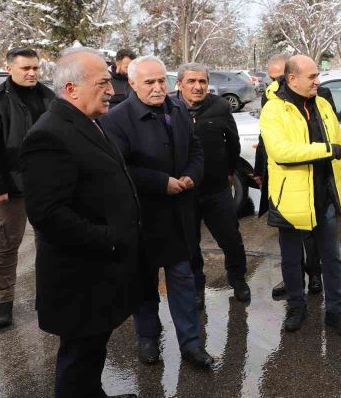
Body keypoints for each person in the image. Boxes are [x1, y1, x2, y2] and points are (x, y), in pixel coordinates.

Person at [20, 47, 139, 398]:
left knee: (90, 355)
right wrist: (110, 238)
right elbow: (48, 214)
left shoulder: (87, 122)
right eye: (103, 82)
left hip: (99, 273)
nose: (113, 90)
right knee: (77, 361)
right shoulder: (50, 135)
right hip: (79, 278)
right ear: (72, 89)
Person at [101, 56, 214, 368]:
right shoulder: (117, 119)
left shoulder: (177, 109)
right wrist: (159, 182)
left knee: (183, 280)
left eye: (161, 80)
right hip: (142, 217)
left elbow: (196, 149)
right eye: (149, 82)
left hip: (179, 215)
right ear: (133, 84)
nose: (157, 87)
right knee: (144, 283)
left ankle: (191, 344)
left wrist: (193, 173)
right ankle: (147, 339)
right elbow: (119, 168)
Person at [260, 55, 341, 337]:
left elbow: (339, 148)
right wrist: (325, 150)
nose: (318, 81)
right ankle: (296, 306)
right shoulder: (274, 110)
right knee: (291, 259)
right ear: (292, 78)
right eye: (312, 76)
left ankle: (336, 312)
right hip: (290, 199)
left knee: (332, 258)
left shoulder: (323, 104)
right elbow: (281, 152)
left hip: (323, 194)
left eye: (317, 75)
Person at [0, 47, 54, 328]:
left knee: (48, 241)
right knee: (8, 243)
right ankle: (3, 302)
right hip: (11, 186)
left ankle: (46, 296)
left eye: (35, 68)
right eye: (26, 68)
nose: (32, 73)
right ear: (9, 68)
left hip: (47, 184)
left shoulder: (48, 97)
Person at [255, 53, 335, 299]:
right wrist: (260, 171)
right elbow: (272, 145)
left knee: (320, 247)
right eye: (272, 77)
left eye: (278, 76)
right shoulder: (272, 104)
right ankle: (295, 295)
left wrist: (340, 184)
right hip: (287, 189)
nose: (275, 82)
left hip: (318, 187)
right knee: (290, 251)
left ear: (289, 76)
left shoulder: (321, 100)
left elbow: (335, 141)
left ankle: (315, 277)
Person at [173, 62, 250, 308]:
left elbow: (233, 143)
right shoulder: (169, 108)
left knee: (230, 238)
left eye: (202, 82)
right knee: (189, 242)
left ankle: (238, 279)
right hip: (185, 191)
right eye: (191, 82)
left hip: (217, 188)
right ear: (180, 84)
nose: (197, 87)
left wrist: (229, 171)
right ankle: (197, 286)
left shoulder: (219, 106)